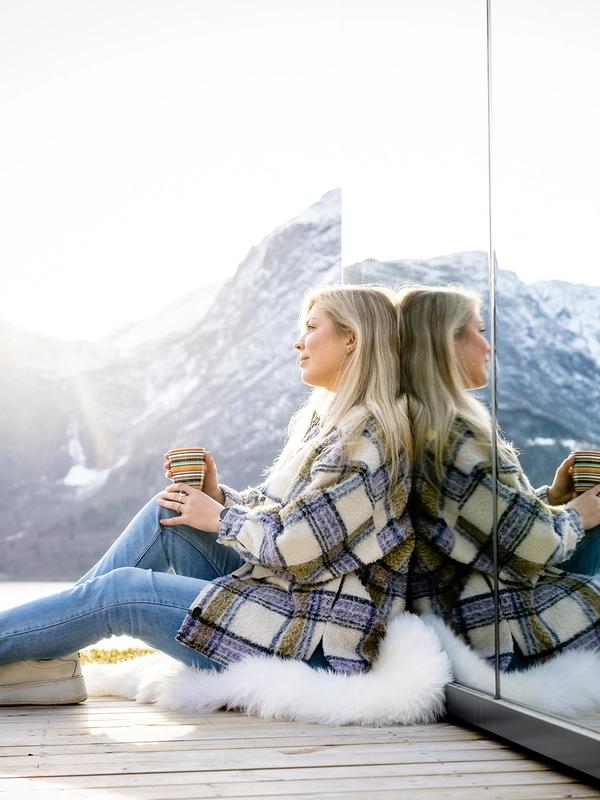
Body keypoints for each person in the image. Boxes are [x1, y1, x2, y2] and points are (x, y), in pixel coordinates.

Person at [0, 284, 414, 705]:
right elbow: (287, 520)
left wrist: (219, 519)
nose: (298, 341)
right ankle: (40, 655)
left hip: (313, 643)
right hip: (289, 606)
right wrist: (217, 498)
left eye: (310, 327)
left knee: (121, 594)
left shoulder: (367, 441)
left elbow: (296, 544)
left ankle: (30, 652)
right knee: (168, 512)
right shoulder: (331, 427)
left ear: (352, 339)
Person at [397, 285, 600, 671]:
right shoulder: (447, 436)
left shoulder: (427, 423)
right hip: (491, 625)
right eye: (479, 332)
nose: (487, 347)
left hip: (466, 610)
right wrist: (578, 515)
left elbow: (489, 522)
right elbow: (525, 543)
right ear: (447, 343)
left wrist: (555, 497)